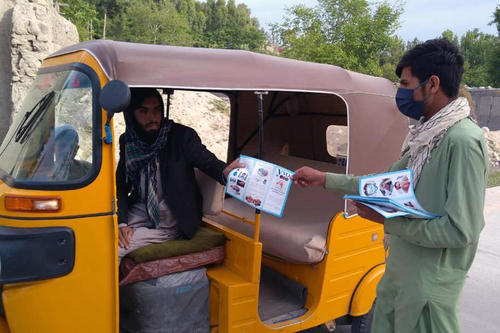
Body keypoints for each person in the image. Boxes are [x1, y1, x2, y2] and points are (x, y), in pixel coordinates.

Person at [292, 38, 488, 332]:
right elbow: (383, 185)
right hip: (398, 277)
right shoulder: (425, 137)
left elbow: (460, 231)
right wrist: (324, 179)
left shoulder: (461, 141)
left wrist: (388, 222)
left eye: (405, 84)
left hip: (427, 294)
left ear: (432, 84)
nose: (401, 92)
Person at [116, 88, 242, 262]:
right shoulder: (128, 141)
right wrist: (122, 223)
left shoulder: (181, 136)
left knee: (114, 248)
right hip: (141, 208)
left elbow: (206, 160)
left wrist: (225, 171)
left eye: (157, 110)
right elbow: (121, 184)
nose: (152, 117)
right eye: (143, 111)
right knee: (100, 231)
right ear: (131, 115)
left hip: (171, 215)